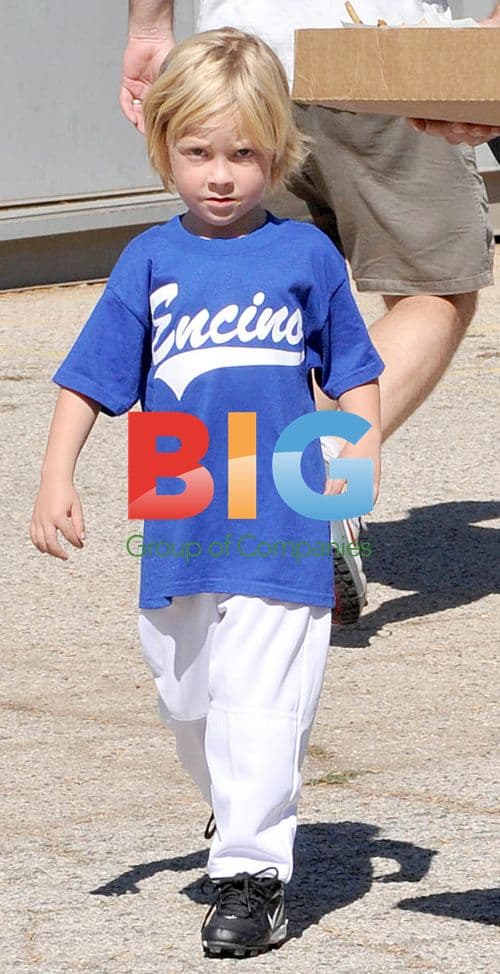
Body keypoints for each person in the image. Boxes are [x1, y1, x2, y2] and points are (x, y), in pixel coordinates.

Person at [31, 29, 383, 957]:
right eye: (197, 153)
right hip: (179, 498)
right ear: (163, 149)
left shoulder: (304, 253)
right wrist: (56, 474)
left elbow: (354, 370)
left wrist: (356, 453)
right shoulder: (148, 257)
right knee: (187, 698)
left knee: (258, 702)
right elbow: (91, 376)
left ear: (277, 149)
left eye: (243, 154)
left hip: (279, 509)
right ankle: (234, 810)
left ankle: (254, 874)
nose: (220, 175)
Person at [120, 0, 500, 626]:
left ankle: (228, 506)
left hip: (246, 61)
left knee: (264, 312)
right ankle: (305, 467)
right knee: (435, 288)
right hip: (382, 48)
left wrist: (148, 26)